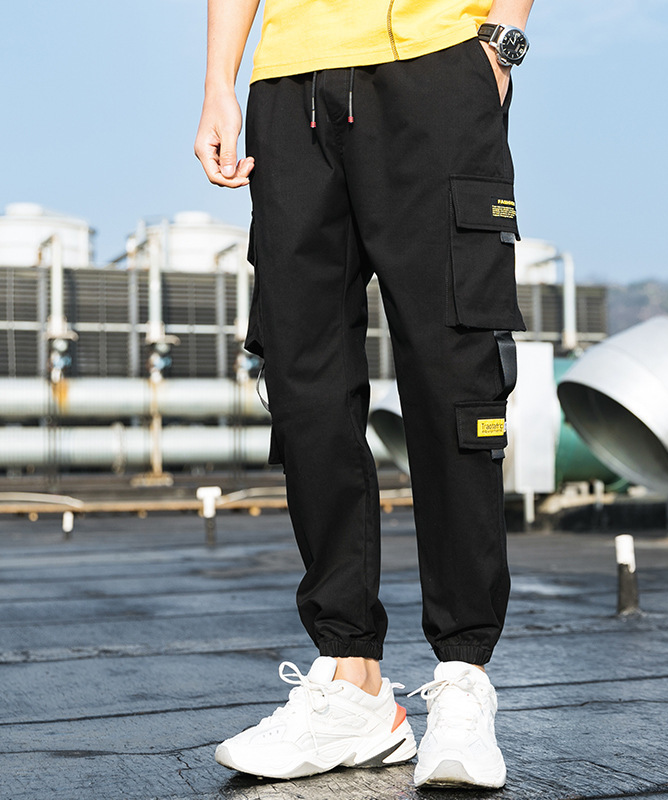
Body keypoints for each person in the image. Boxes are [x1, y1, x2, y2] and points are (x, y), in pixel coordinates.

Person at [195, 0, 534, 788]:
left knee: (453, 376)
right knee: (303, 382)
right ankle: (352, 685)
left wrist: (501, 45)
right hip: (289, 82)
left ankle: (463, 678)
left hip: (435, 61)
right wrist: (218, 81)